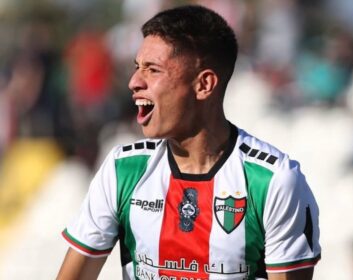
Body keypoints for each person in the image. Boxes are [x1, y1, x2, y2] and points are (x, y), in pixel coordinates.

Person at [57, 5, 321, 280]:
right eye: (137, 68)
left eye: (153, 70)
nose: (134, 81)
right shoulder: (122, 169)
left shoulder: (272, 181)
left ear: (204, 84)